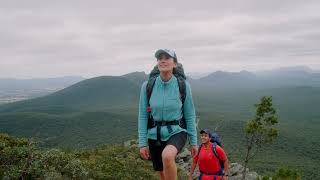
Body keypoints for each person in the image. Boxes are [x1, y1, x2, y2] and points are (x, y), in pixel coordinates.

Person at [138, 48, 198, 180]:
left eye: (167, 58)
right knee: (161, 172)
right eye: (160, 58)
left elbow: (189, 114)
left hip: (177, 130)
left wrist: (194, 142)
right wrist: (142, 143)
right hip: (154, 133)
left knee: (167, 156)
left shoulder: (183, 86)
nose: (163, 60)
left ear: (174, 64)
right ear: (157, 63)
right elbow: (143, 115)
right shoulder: (147, 86)